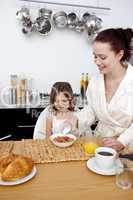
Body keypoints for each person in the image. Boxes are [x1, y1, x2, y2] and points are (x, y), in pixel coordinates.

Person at [77, 28, 133, 151]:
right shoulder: (95, 81)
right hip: (101, 142)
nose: (97, 62)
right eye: (95, 56)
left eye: (102, 57)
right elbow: (91, 109)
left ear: (119, 54)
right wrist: (75, 121)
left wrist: (121, 141)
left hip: (128, 146)